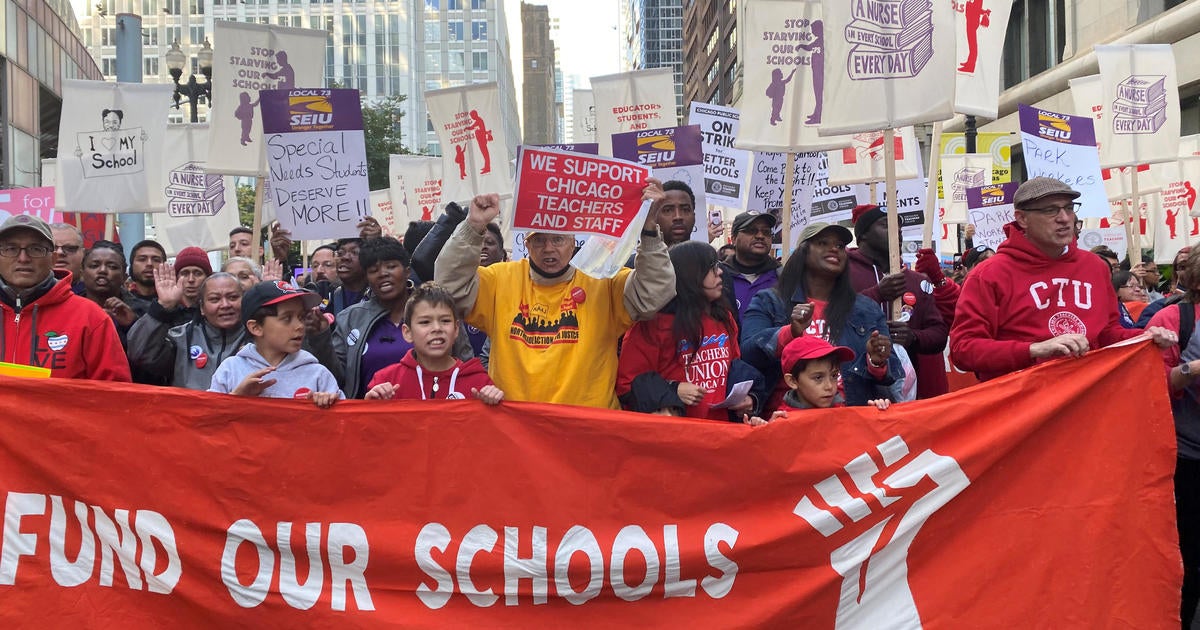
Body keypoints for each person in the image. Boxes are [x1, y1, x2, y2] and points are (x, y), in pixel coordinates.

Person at [434, 184, 676, 409]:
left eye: (558, 239)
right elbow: (448, 288)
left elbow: (654, 292)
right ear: (526, 245)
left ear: (572, 242)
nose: (548, 248)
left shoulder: (603, 280)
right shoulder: (500, 280)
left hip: (588, 430)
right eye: (539, 240)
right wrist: (473, 226)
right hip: (520, 429)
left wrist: (649, 229)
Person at [950, 177, 1176, 381]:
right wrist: (1034, 349)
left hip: (1084, 401)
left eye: (1069, 208)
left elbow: (1107, 333)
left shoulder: (1095, 267)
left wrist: (1144, 337)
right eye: (1051, 210)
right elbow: (963, 349)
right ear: (1022, 219)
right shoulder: (988, 274)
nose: (1065, 218)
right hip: (1019, 408)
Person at [741, 222, 902, 410]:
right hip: (788, 421)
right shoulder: (770, 302)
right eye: (822, 243)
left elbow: (892, 373)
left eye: (840, 246)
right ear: (803, 252)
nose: (834, 249)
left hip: (849, 419)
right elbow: (748, 354)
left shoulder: (866, 309)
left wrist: (876, 361)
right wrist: (790, 332)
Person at [617, 241, 753, 421]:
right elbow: (626, 384)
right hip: (677, 436)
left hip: (721, 434)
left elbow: (735, 368)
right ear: (689, 275)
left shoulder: (724, 318)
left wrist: (749, 398)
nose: (720, 272)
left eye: (718, 266)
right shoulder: (652, 326)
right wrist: (673, 390)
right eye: (711, 267)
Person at [334, 237, 472, 399]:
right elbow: (336, 377)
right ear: (367, 278)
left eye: (391, 267)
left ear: (407, 271)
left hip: (434, 416)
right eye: (373, 270)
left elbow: (466, 366)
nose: (383, 274)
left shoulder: (439, 309)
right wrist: (319, 337)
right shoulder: (350, 318)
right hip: (372, 417)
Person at [0, 215, 130, 381]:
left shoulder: (91, 317)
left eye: (36, 249)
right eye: (10, 249)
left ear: (53, 259)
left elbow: (116, 395)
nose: (23, 258)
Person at [1146, 251, 1200, 629]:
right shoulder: (1173, 318)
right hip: (1189, 456)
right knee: (1190, 555)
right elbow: (1155, 386)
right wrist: (1193, 369)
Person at [847, 204, 949, 398]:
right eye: (887, 225)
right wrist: (877, 294)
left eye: (900, 228)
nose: (897, 232)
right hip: (855, 391)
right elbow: (831, 315)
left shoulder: (918, 281)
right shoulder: (842, 273)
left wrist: (913, 337)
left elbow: (938, 335)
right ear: (863, 235)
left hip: (908, 394)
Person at [363, 282, 503, 403]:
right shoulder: (386, 381)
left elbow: (493, 430)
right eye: (425, 322)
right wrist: (371, 406)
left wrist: (494, 405)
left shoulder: (478, 383)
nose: (437, 328)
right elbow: (367, 430)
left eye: (445, 321)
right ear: (407, 333)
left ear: (456, 330)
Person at [209, 281, 342, 408]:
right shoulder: (230, 369)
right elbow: (206, 420)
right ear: (256, 327)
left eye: (301, 317)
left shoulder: (318, 374)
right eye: (287, 318)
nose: (300, 326)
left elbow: (344, 422)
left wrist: (329, 404)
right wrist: (235, 398)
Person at [127, 272, 247, 389]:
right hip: (189, 408)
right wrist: (162, 307)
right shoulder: (181, 338)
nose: (225, 305)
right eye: (215, 299)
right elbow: (139, 353)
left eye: (233, 297)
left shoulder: (258, 337)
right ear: (201, 307)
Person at [775, 335, 891, 413]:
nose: (830, 386)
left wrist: (874, 415)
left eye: (834, 376)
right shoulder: (781, 422)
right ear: (792, 381)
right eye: (818, 378)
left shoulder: (842, 412)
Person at [719, 211, 781, 323]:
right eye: (751, 231)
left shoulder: (783, 277)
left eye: (766, 232)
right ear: (733, 238)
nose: (760, 236)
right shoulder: (718, 277)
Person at [80, 240, 139, 344]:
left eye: (112, 267)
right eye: (94, 265)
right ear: (82, 273)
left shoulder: (143, 312)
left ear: (124, 277)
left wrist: (133, 325)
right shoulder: (66, 310)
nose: (102, 270)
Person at [328, 237, 372, 317]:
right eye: (340, 253)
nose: (345, 257)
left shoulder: (377, 295)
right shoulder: (329, 294)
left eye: (355, 252)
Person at [125, 239, 166, 316]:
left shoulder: (173, 303)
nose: (149, 264)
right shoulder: (120, 301)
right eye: (142, 259)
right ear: (132, 266)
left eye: (156, 260)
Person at [655, 180, 698, 246]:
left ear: (694, 216)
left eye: (685, 210)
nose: (678, 217)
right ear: (655, 218)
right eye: (668, 210)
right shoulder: (641, 256)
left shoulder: (708, 256)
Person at [50, 222, 85, 294]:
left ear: (83, 254)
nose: (59, 252)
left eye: (70, 248)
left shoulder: (97, 295)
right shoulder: (24, 295)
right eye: (52, 248)